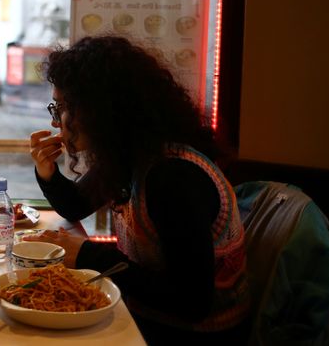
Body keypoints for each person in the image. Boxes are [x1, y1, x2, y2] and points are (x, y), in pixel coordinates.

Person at [27, 36, 250, 345]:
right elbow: (75, 206)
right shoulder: (131, 155)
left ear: (99, 110)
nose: (56, 122)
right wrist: (46, 172)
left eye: (62, 107)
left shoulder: (171, 177)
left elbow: (192, 303)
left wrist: (91, 255)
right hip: (149, 318)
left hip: (195, 335)